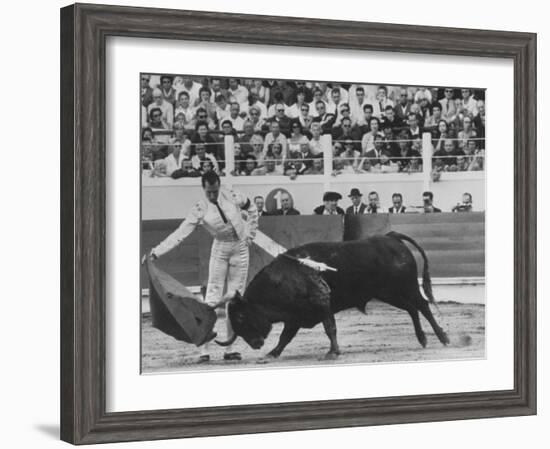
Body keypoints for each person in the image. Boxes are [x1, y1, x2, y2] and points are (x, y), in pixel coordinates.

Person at [147, 171, 258, 363]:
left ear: (219, 185)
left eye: (215, 191)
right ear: (203, 189)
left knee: (235, 299)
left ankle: (230, 349)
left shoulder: (232, 195)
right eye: (209, 192)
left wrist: (251, 233)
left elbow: (253, 209)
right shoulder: (200, 208)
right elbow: (180, 233)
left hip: (240, 248)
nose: (212, 195)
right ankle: (204, 350)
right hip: (220, 249)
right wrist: (156, 252)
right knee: (212, 296)